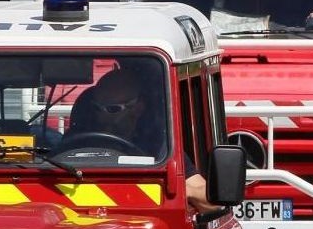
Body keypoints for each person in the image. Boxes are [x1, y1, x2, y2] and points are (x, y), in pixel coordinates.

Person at [66, 68, 221, 213]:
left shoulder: (159, 148)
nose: (101, 116)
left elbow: (211, 201)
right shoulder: (72, 142)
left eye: (113, 109)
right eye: (96, 108)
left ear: (138, 108)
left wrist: (181, 189)